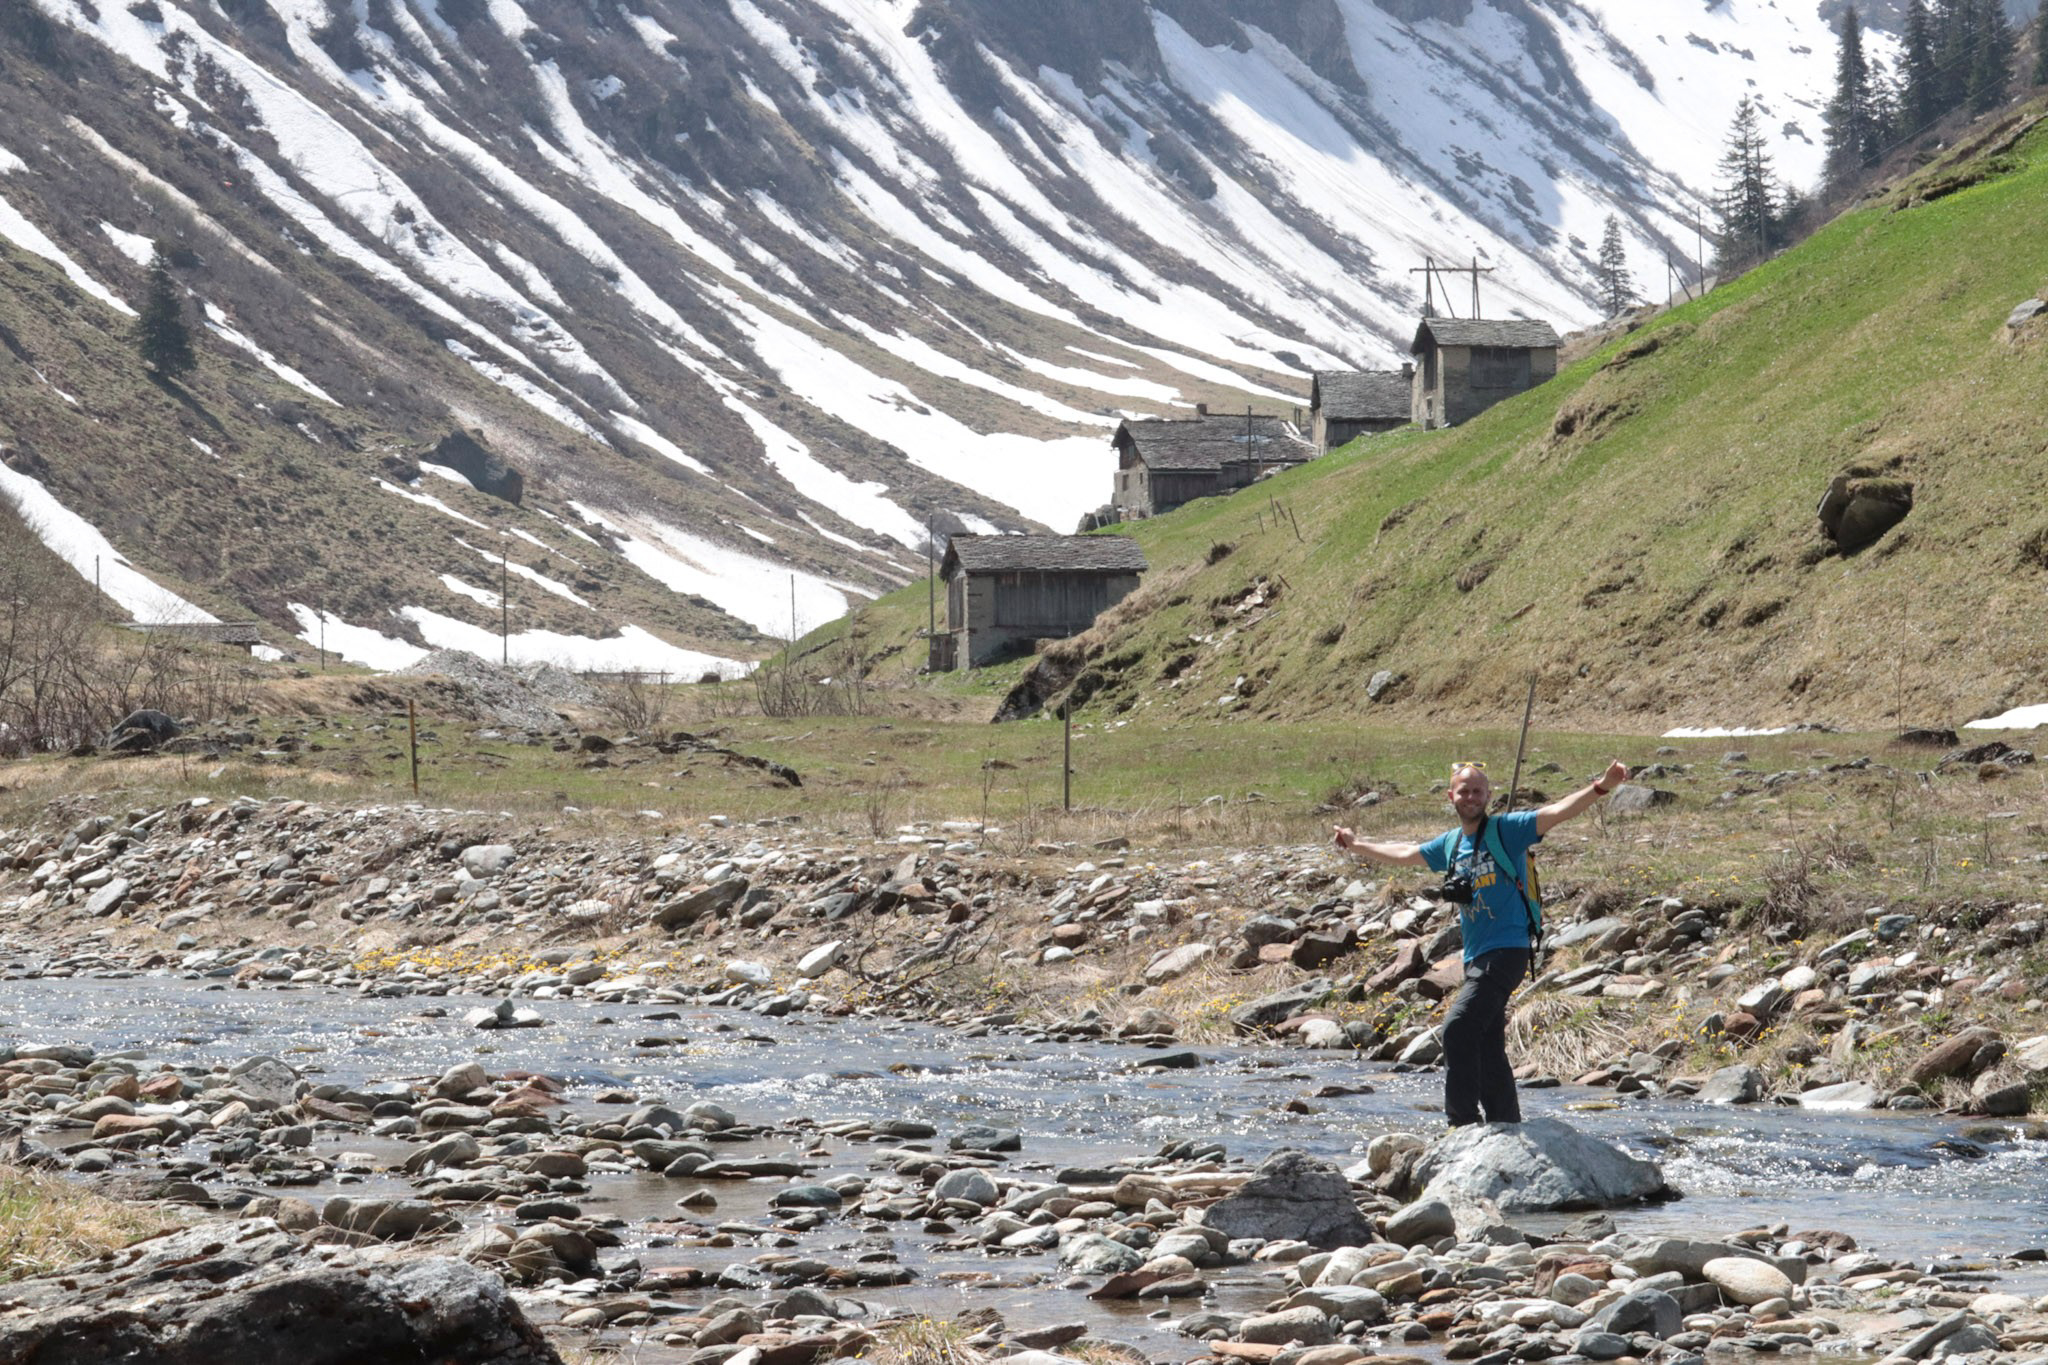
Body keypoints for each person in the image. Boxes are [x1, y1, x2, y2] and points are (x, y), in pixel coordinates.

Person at [1331, 758, 1629, 1126]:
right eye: (1464, 791)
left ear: (1488, 795)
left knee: (1457, 1028)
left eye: (1477, 791)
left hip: (1508, 950)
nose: (1471, 797)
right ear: (1451, 796)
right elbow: (1407, 854)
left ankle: (1462, 1123)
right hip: (1475, 956)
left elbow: (1557, 812)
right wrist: (1356, 844)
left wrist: (1602, 785)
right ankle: (1505, 1122)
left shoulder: (1507, 829)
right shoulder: (1452, 843)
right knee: (1487, 1043)